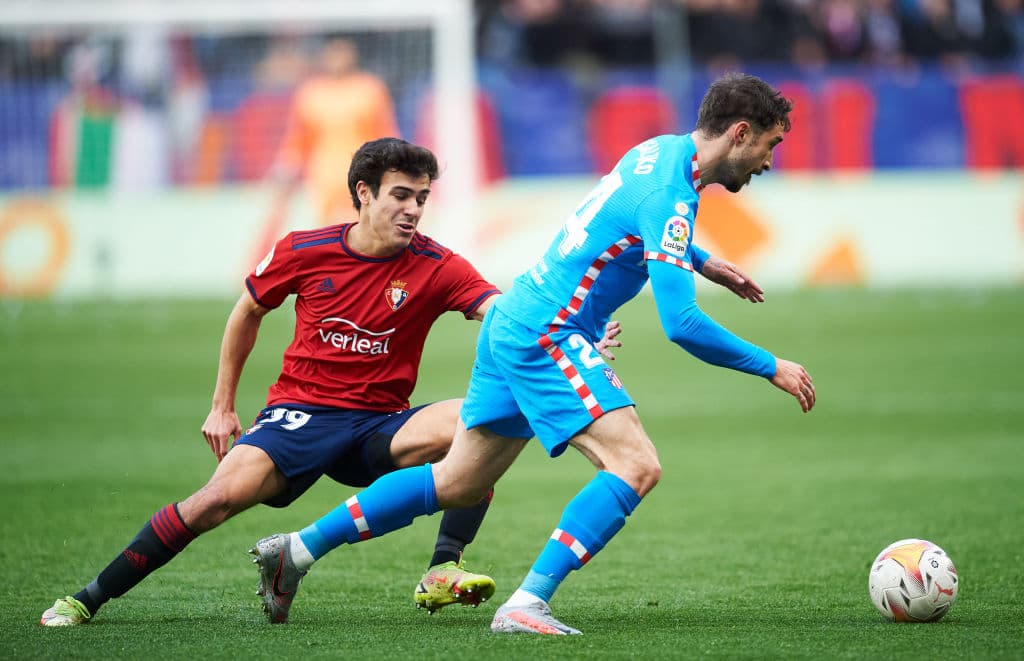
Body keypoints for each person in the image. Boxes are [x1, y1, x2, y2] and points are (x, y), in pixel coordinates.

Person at [249, 72, 817, 634]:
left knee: (456, 482)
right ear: (741, 132)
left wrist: (699, 258)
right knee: (635, 465)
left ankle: (295, 552)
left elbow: (632, 219)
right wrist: (773, 366)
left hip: (514, 318)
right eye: (770, 145)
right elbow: (682, 323)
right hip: (549, 332)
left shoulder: (658, 153)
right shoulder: (672, 193)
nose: (768, 162)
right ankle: (527, 603)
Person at [40, 137, 575, 627]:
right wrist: (222, 404)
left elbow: (503, 313)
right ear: (363, 193)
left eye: (422, 198)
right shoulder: (304, 248)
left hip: (380, 424)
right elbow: (248, 310)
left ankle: (442, 568)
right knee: (213, 502)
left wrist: (568, 328)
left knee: (485, 421)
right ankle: (87, 598)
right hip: (299, 416)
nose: (413, 210)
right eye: (401, 195)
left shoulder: (438, 265)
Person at [249, 37, 400, 268]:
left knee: (365, 228)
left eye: (343, 52)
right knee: (328, 234)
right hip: (324, 175)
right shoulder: (311, 93)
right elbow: (298, 138)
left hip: (362, 171)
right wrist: (286, 165)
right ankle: (333, 282)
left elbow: (385, 133)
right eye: (333, 52)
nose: (338, 58)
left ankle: (367, 276)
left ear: (353, 54)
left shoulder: (369, 89)